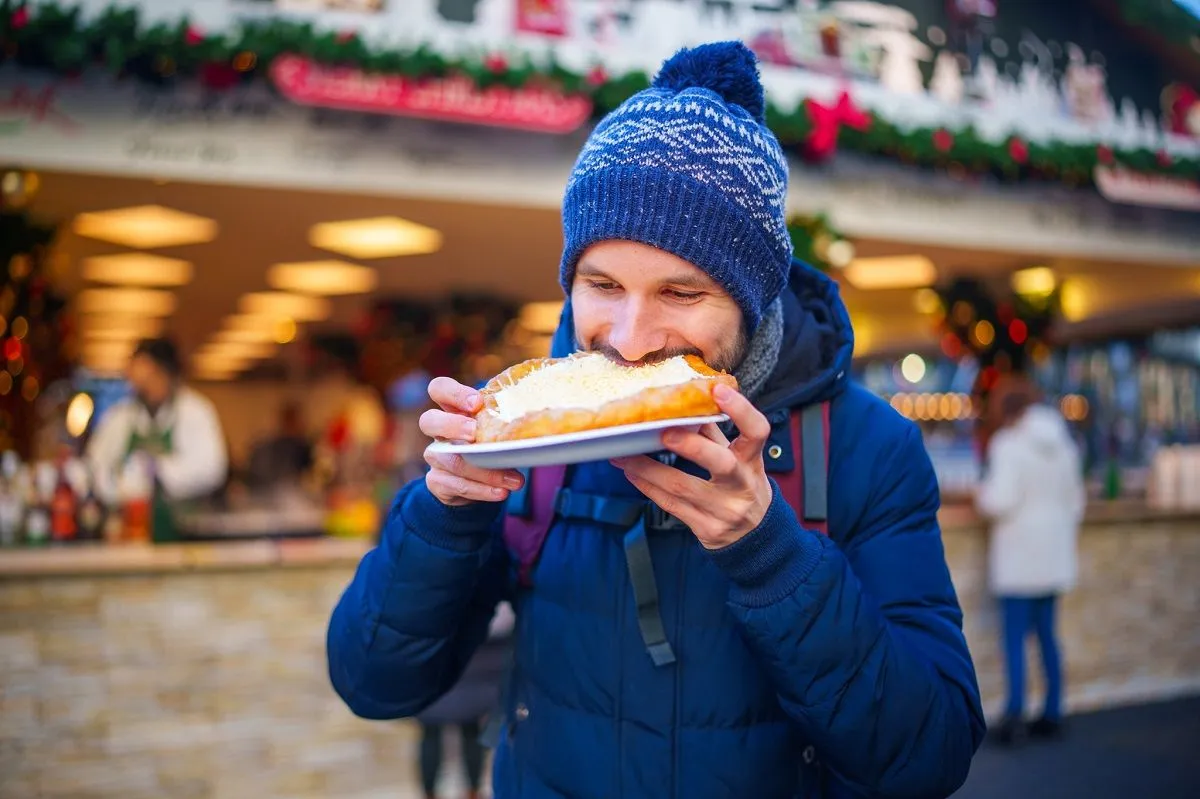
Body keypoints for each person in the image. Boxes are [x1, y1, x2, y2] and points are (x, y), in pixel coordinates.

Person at [328, 42, 984, 798]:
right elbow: (375, 683)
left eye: (681, 293)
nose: (631, 338)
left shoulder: (867, 448)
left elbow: (928, 756)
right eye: (602, 284)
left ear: (750, 298)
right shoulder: (516, 436)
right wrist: (442, 517)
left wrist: (769, 553)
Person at [976, 381, 1085, 745]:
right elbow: (1076, 501)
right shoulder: (1064, 444)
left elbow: (999, 501)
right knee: (1048, 637)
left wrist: (981, 492)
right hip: (1053, 555)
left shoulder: (1008, 445)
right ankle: (1053, 710)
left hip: (1021, 558)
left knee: (1014, 641)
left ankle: (1015, 715)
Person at [86, 337, 228, 541]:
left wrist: (160, 471)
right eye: (138, 382)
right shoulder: (120, 417)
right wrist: (123, 488)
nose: (144, 388)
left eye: (151, 378)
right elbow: (95, 467)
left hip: (186, 532)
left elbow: (213, 468)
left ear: (168, 374)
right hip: (129, 531)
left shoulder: (196, 411)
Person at [414, 602, 514, 799]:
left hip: (437, 657)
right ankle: (473, 791)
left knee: (432, 732)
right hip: (478, 657)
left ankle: (430, 793)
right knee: (469, 730)